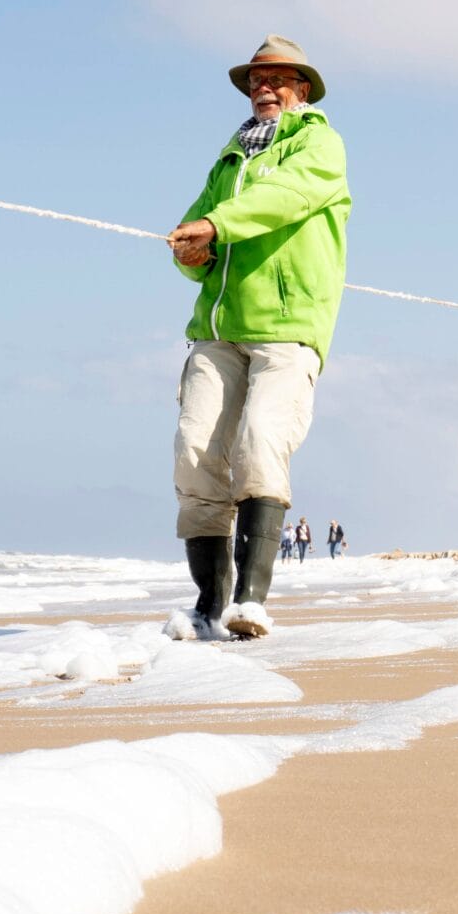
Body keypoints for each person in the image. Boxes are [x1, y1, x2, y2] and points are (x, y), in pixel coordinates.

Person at [163, 36, 351, 642]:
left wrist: (217, 225)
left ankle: (251, 602)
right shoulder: (227, 162)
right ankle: (207, 608)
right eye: (254, 80)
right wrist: (192, 249)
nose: (262, 88)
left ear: (302, 89)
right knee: (195, 459)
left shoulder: (319, 143)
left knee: (261, 443)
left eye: (276, 78)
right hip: (216, 333)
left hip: (288, 330)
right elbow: (198, 234)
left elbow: (283, 199)